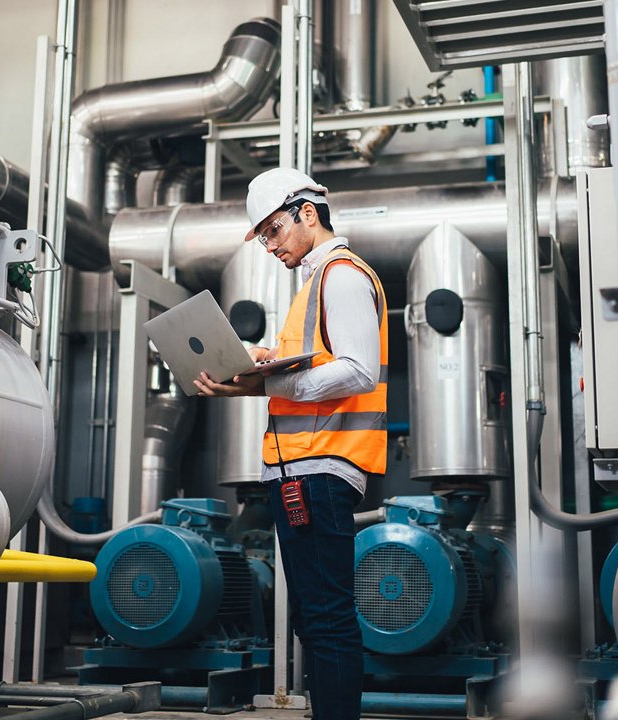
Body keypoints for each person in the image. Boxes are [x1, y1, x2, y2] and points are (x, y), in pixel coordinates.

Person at [194, 167, 387, 720]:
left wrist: (266, 381)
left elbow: (357, 371)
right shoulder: (317, 283)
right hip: (302, 469)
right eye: (263, 238)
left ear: (307, 212)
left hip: (322, 469)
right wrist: (255, 370)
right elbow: (313, 370)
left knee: (326, 619)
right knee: (311, 617)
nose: (271, 247)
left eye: (274, 232)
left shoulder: (341, 275)